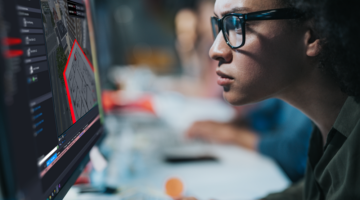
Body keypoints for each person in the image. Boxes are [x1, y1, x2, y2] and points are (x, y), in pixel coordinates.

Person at [177, 0, 360, 199]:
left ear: (314, 35)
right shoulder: (326, 125)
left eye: (237, 24)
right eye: (220, 26)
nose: (215, 50)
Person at [186, 98, 313, 183]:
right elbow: (265, 114)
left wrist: (233, 135)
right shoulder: (289, 82)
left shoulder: (312, 94)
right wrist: (229, 125)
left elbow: (294, 152)